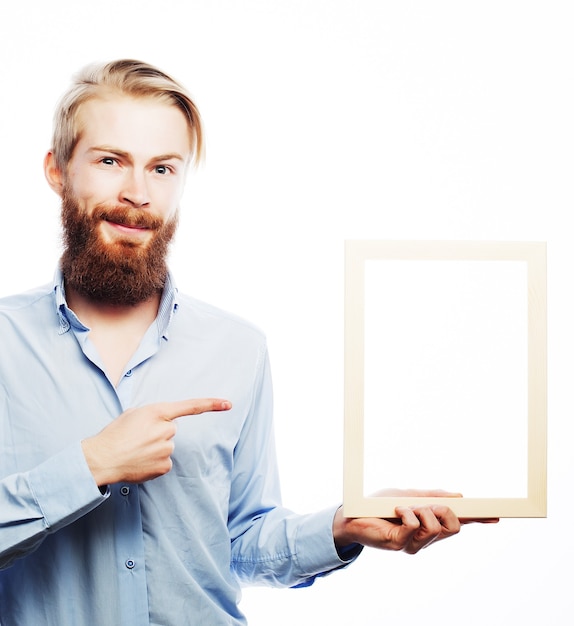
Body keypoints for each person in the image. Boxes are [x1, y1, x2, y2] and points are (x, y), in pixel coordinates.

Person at [0, 59, 485, 625]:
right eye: (111, 161)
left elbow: (240, 540)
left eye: (163, 168)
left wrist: (341, 527)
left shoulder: (237, 348)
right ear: (58, 171)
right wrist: (90, 466)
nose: (138, 192)